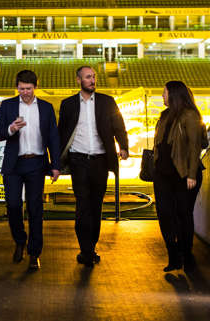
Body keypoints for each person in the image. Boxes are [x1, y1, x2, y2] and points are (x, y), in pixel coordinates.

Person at [58, 66, 129, 268]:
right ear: (78, 80)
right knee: (82, 206)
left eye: (94, 77)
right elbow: (61, 132)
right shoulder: (68, 104)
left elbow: (119, 126)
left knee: (96, 207)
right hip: (78, 161)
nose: (92, 80)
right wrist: (56, 161)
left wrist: (123, 146)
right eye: (88, 77)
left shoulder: (107, 102)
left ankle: (91, 246)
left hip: (100, 161)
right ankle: (85, 249)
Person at [0, 70, 61, 270]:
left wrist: (55, 165)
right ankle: (20, 240)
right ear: (17, 87)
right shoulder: (7, 105)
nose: (25, 92)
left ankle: (34, 253)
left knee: (35, 209)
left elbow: (53, 138)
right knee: (13, 206)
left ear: (35, 87)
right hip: (13, 165)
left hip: (37, 164)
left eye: (28, 89)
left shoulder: (47, 108)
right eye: (21, 88)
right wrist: (11, 129)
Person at [152, 80, 206, 272]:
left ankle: (186, 254)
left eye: (164, 92)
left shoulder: (190, 115)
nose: (162, 96)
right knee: (165, 215)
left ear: (173, 95)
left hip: (184, 174)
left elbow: (194, 147)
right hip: (163, 175)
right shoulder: (164, 115)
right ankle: (173, 255)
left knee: (183, 215)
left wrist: (191, 174)